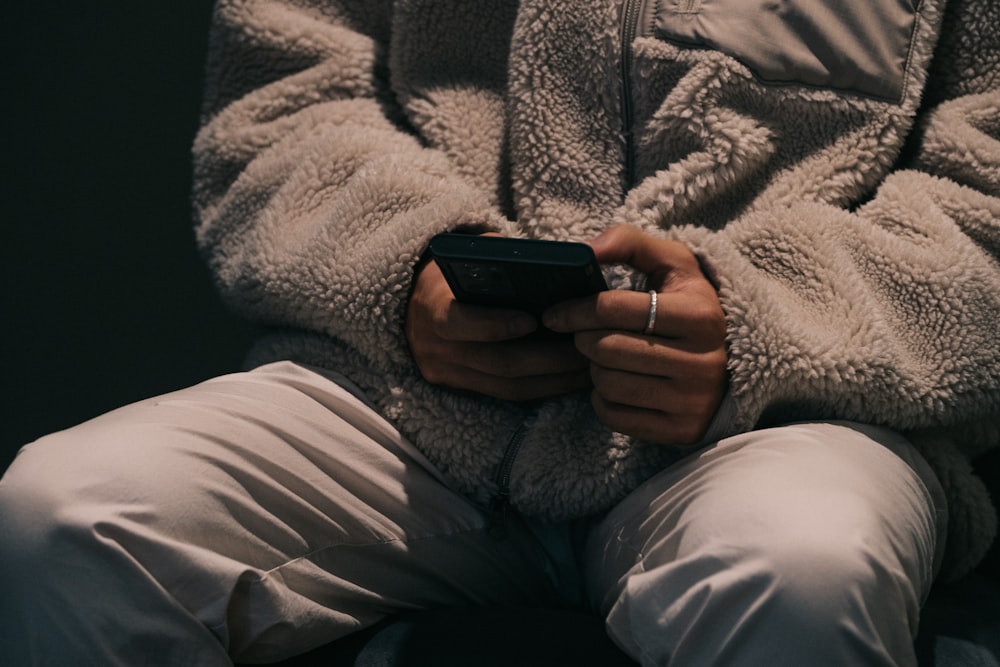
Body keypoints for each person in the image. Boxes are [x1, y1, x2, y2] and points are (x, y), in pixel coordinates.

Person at [1, 0, 998, 664]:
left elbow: (985, 190)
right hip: (406, 409)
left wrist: (762, 321)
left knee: (804, 563)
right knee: (64, 518)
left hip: (780, 418)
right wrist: (405, 271)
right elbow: (281, 100)